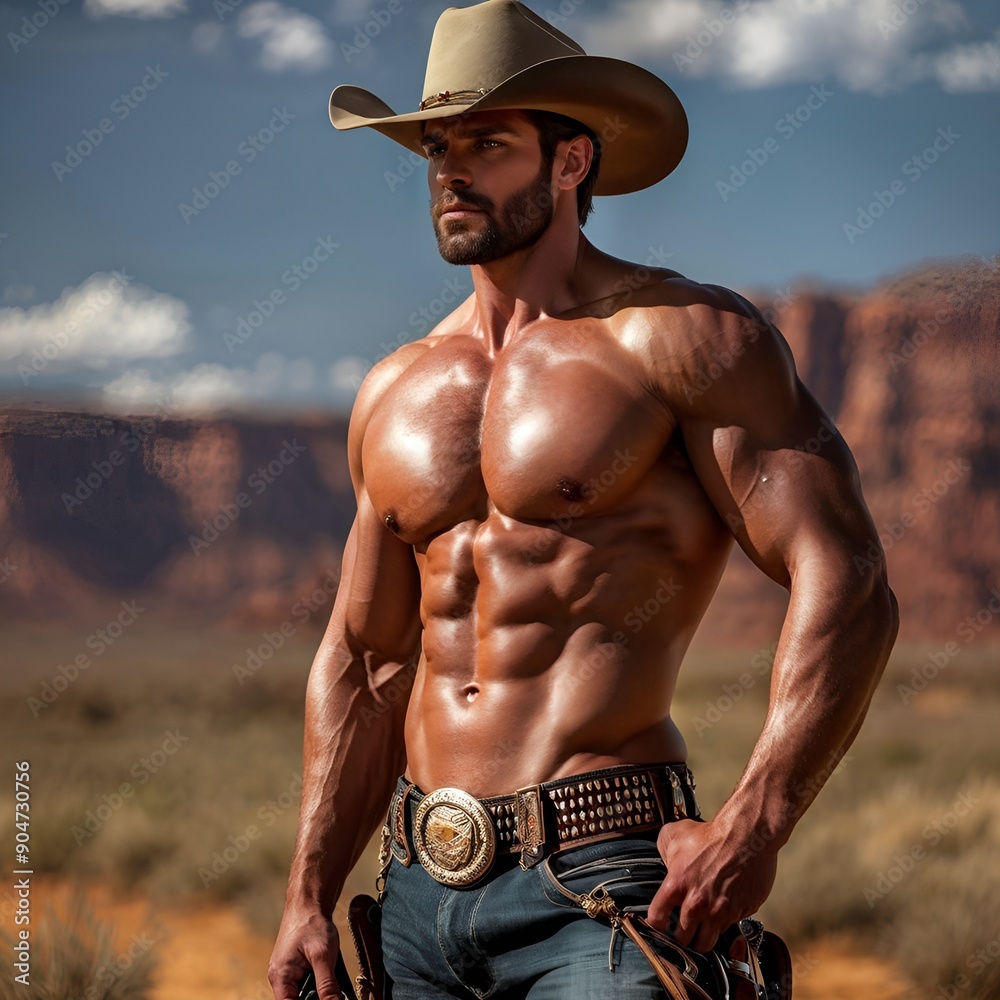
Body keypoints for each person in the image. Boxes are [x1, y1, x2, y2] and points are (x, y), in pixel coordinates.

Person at [268, 2, 898, 998]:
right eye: (435, 146)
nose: (449, 171)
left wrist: (754, 821)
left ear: (571, 161)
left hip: (601, 887)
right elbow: (363, 658)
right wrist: (307, 889)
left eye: (486, 142)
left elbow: (846, 574)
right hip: (414, 901)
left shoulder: (680, 340)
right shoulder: (394, 389)